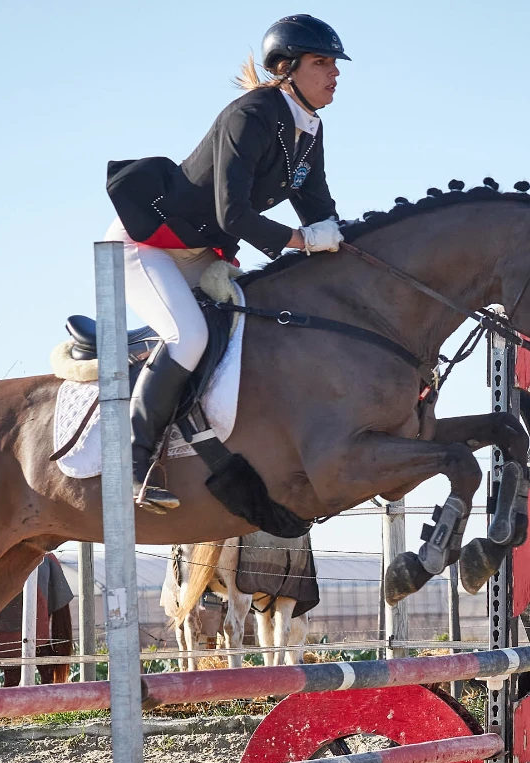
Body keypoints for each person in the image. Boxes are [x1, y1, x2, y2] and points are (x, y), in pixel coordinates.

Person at [105, 14, 349, 511]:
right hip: (147, 244)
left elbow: (320, 209)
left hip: (201, 252)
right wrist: (302, 240)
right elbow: (232, 212)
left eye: (335, 64)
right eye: (322, 63)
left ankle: (196, 432)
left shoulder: (310, 129)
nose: (335, 73)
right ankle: (131, 462)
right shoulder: (252, 112)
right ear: (286, 68)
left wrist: (356, 251)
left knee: (245, 328)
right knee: (188, 335)